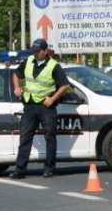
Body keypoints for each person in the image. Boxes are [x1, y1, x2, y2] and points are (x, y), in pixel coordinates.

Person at [9, 39, 70, 178]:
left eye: (38, 52)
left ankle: (49, 168)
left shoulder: (54, 66)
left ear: (45, 51)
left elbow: (64, 85)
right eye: (34, 51)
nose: (35, 54)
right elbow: (16, 74)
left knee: (50, 136)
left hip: (46, 106)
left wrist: (53, 99)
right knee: (25, 137)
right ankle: (20, 170)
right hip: (30, 105)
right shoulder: (29, 60)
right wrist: (17, 87)